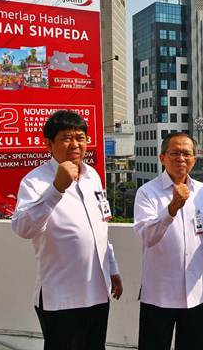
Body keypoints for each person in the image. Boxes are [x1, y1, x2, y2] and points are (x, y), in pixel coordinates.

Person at [11, 110, 123, 350]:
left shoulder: (92, 175)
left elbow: (99, 227)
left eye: (80, 137)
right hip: (61, 297)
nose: (75, 144)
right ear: (49, 144)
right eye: (66, 138)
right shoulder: (35, 181)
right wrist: (56, 189)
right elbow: (22, 227)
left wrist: (112, 268)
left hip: (97, 289)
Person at [133, 132, 203, 350]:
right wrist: (171, 209)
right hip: (159, 294)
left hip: (196, 294)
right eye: (174, 153)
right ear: (162, 157)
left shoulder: (202, 191)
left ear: (194, 159)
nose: (180, 159)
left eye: (186, 154)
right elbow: (147, 237)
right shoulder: (147, 193)